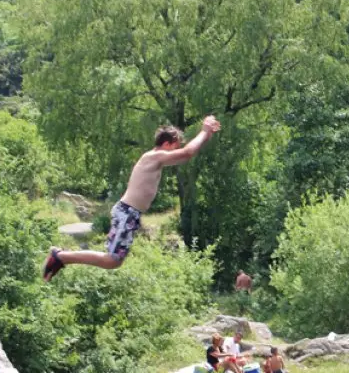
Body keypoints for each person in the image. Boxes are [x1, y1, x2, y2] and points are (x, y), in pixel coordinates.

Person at [43, 115, 220, 280]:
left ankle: (61, 257)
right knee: (112, 260)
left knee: (114, 261)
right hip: (127, 212)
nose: (177, 150)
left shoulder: (155, 159)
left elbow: (186, 156)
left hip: (130, 214)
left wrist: (205, 137)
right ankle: (60, 256)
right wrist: (204, 130)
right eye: (176, 146)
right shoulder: (153, 156)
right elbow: (187, 153)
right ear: (167, 144)